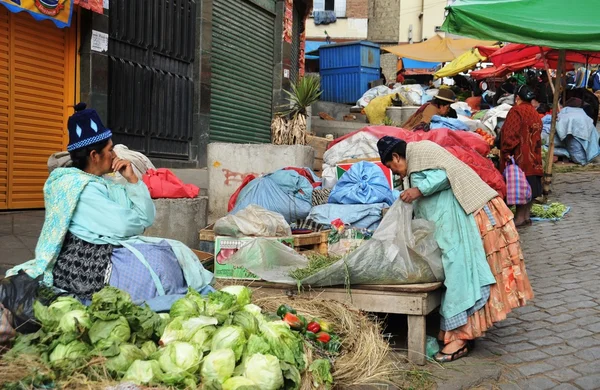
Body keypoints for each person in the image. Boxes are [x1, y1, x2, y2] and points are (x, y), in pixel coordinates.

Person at [6, 103, 214, 304]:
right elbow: (125, 226)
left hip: (109, 248)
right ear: (95, 155)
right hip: (83, 260)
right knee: (154, 268)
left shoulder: (104, 182)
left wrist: (133, 181)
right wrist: (133, 223)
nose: (115, 155)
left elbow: (144, 218)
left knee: (169, 252)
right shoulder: (78, 187)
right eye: (110, 150)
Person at [377, 136, 534, 362]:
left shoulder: (421, 154)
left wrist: (418, 190)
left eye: (394, 167)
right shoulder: (416, 161)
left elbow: (444, 175)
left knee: (461, 275)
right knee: (458, 273)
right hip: (450, 222)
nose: (398, 173)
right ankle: (456, 331)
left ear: (395, 157)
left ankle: (461, 337)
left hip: (459, 222)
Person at [500, 85, 543, 227]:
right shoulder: (534, 113)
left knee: (520, 186)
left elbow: (510, 136)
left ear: (517, 98)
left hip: (521, 157)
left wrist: (506, 151)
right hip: (534, 157)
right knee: (530, 186)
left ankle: (519, 218)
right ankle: (526, 216)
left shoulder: (516, 111)